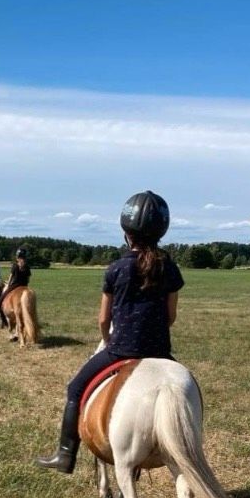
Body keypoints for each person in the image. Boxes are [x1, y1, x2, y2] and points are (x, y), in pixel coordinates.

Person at [36, 191, 184, 473]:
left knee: (75, 388)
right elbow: (170, 316)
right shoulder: (170, 268)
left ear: (126, 231)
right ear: (161, 231)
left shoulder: (117, 269)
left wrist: (108, 341)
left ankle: (65, 455)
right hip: (160, 352)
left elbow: (104, 318)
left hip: (121, 349)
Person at [0, 248, 32, 338]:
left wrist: (8, 285)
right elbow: (28, 279)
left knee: (2, 297)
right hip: (25, 287)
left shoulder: (15, 265)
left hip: (14, 285)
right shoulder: (27, 266)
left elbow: (10, 277)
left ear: (17, 256)